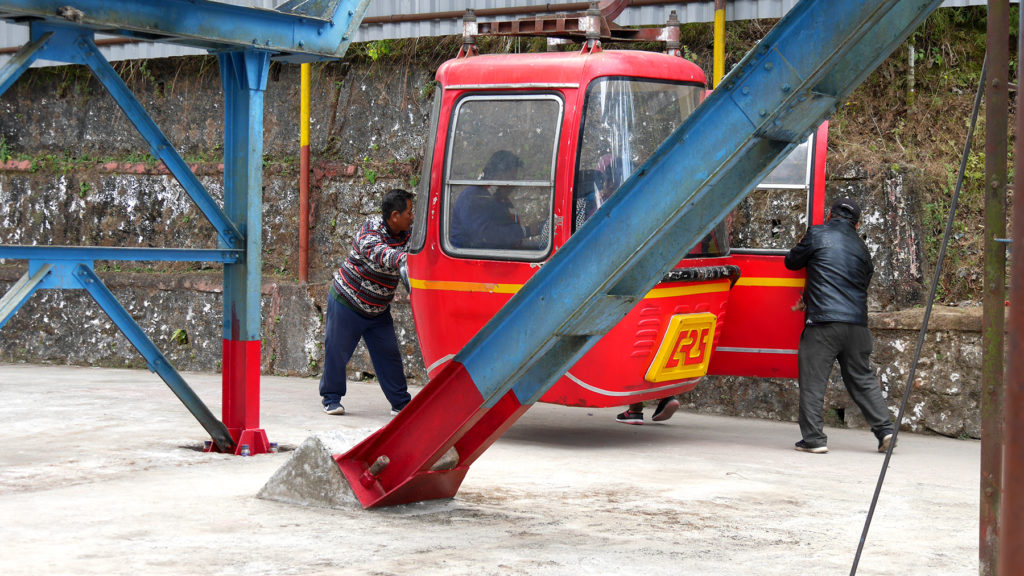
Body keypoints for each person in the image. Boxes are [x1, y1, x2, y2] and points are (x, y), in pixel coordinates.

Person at [784, 197, 895, 454]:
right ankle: (885, 431)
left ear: (829, 214)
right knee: (863, 379)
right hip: (857, 325)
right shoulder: (862, 248)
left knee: (813, 381)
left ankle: (813, 440)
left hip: (824, 323)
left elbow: (792, 262)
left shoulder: (817, 234)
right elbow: (862, 282)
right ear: (857, 225)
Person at [319, 188, 414, 417]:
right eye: (409, 212)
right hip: (347, 302)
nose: (412, 217)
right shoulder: (371, 229)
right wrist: (404, 259)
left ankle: (401, 403)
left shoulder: (409, 235)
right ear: (394, 216)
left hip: (378, 309)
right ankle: (331, 399)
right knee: (337, 352)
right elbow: (379, 252)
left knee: (389, 354)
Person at [450, 150, 539, 249]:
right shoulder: (473, 197)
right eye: (512, 178)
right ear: (499, 176)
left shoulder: (502, 200)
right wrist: (526, 231)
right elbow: (485, 236)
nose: (514, 184)